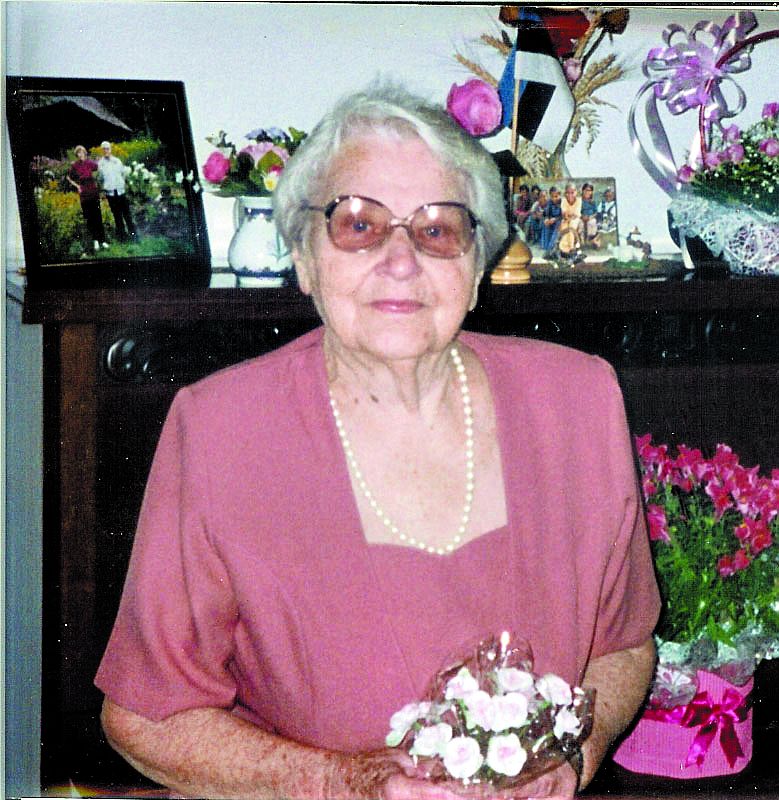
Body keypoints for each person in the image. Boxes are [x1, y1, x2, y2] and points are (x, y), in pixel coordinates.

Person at [96, 83, 659, 800]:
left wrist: (574, 759)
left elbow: (622, 647)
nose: (401, 260)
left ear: (477, 265)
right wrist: (345, 783)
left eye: (437, 230)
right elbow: (146, 718)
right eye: (359, 225)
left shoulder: (578, 401)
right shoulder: (220, 429)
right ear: (303, 258)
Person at [66, 144, 108, 252]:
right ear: (76, 155)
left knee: (98, 217)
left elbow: (99, 168)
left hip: (93, 192)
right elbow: (68, 177)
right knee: (90, 218)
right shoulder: (75, 165)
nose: (80, 154)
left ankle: (103, 240)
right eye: (78, 153)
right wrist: (77, 186)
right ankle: (95, 241)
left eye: (81, 152)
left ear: (84, 152)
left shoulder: (90, 163)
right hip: (84, 195)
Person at [97, 140, 137, 241]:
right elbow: (100, 178)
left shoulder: (117, 161)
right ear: (102, 151)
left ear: (110, 149)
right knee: (117, 216)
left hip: (121, 191)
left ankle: (134, 236)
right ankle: (123, 237)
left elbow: (123, 173)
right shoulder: (100, 164)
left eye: (107, 149)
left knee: (127, 214)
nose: (106, 151)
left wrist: (121, 184)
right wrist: (105, 189)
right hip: (110, 193)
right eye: (104, 149)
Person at [557, 183, 583, 256]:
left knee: (571, 226)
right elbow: (564, 213)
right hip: (566, 218)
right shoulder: (564, 200)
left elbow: (576, 214)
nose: (570, 195)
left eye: (572, 192)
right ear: (565, 193)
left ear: (576, 192)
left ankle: (571, 247)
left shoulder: (579, 200)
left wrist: (569, 216)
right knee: (564, 226)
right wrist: (567, 217)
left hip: (576, 219)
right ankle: (563, 248)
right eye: (567, 193)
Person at [541, 186, 562, 253]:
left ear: (559, 195)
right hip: (551, 220)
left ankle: (551, 246)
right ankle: (545, 246)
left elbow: (563, 215)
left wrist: (555, 219)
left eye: (556, 196)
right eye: (552, 197)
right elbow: (547, 213)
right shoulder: (549, 202)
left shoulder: (562, 202)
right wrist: (547, 219)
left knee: (558, 225)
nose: (554, 198)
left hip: (559, 220)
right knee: (545, 224)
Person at [580, 183, 600, 248]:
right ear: (583, 191)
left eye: (589, 191)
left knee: (592, 222)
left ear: (591, 192)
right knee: (580, 224)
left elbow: (596, 212)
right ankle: (582, 242)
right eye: (586, 190)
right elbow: (577, 211)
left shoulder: (592, 202)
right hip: (582, 217)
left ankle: (591, 240)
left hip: (590, 217)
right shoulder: (580, 201)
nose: (587, 192)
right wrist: (582, 216)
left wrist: (590, 217)